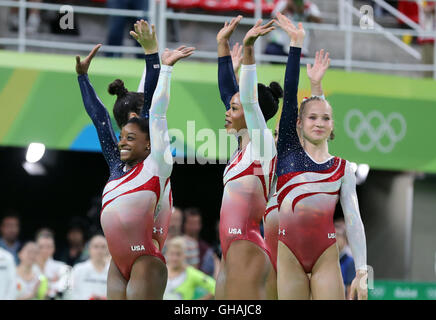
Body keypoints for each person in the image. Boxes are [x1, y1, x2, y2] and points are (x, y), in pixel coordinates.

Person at [76, 20, 194, 299]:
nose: (123, 141)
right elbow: (100, 120)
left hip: (146, 259)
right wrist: (82, 78)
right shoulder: (117, 163)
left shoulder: (157, 161)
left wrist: (154, 57)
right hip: (117, 264)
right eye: (124, 136)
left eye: (132, 136)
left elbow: (155, 108)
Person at [273, 12, 367, 300]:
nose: (319, 122)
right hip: (289, 254)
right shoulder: (287, 150)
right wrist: (296, 46)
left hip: (326, 255)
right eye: (311, 118)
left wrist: (362, 271)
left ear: (332, 125)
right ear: (299, 124)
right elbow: (290, 96)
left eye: (325, 119)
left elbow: (353, 219)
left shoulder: (342, 168)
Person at [215, 16, 281, 299]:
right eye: (229, 107)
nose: (228, 112)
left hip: (247, 243)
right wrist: (221, 45)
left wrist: (251, 48)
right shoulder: (241, 149)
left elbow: (249, 101)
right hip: (230, 247)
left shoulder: (263, 146)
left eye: (233, 108)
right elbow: (233, 96)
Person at [70, 235, 110, 300]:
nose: (99, 250)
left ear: (108, 249)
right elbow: (71, 292)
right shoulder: (78, 269)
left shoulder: (113, 271)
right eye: (96, 246)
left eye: (103, 247)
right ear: (89, 249)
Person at [33, 232, 70, 299]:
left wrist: (51, 288)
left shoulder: (62, 266)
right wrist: (52, 281)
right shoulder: (29, 267)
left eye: (49, 247)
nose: (45, 250)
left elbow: (68, 288)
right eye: (41, 247)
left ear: (54, 248)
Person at [182, 208, 214, 276]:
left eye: (197, 223)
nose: (194, 227)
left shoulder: (206, 249)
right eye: (191, 223)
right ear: (184, 224)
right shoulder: (177, 244)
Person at [335, 218, 356, 299]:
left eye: (338, 235)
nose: (335, 238)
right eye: (333, 235)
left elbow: (350, 291)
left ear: (344, 239)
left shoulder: (349, 261)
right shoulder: (328, 260)